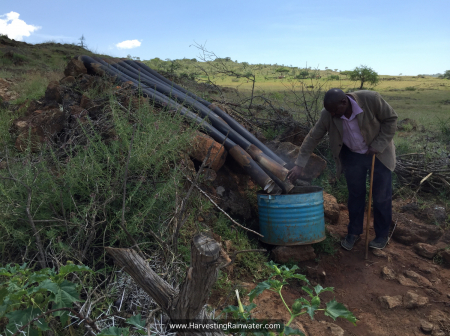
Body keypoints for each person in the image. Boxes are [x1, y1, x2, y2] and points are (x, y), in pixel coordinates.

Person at [287, 88, 397, 250]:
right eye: (329, 112)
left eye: (334, 111)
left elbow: (391, 119)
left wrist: (377, 145)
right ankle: (354, 232)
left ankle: (381, 236)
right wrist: (299, 164)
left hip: (378, 154)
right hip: (352, 155)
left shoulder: (370, 99)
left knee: (381, 197)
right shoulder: (328, 114)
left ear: (344, 102)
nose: (332, 115)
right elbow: (313, 137)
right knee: (355, 195)